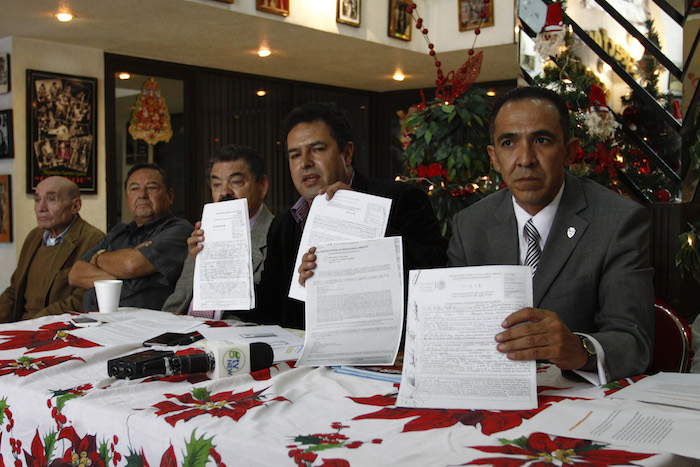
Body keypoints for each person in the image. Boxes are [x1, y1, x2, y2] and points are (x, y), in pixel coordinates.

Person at [447, 86, 654, 383]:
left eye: (541, 140)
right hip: (491, 394)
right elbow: (456, 330)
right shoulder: (469, 226)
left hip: (579, 401)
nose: (525, 159)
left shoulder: (618, 221)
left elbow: (634, 342)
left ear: (570, 152)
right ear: (494, 158)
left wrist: (581, 349)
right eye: (509, 143)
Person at [254, 101, 447, 329]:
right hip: (305, 356)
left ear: (346, 154)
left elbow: (435, 278)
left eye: (317, 150)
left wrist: (361, 218)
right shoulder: (284, 224)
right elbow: (266, 309)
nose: (305, 163)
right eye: (295, 155)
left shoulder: (402, 199)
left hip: (382, 351)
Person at [163, 145, 274, 317]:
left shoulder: (277, 232)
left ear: (262, 186)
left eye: (236, 182)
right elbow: (178, 300)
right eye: (216, 185)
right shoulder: (204, 230)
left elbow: (268, 310)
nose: (224, 192)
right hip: (183, 328)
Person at [69, 163, 193, 311]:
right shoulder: (119, 232)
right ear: (127, 197)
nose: (142, 195)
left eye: (152, 188)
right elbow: (75, 274)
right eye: (134, 189)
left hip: (146, 326)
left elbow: (132, 265)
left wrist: (98, 258)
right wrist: (125, 273)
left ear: (170, 196)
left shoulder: (179, 230)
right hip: (96, 320)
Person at [0, 176, 104, 321]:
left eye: (51, 199)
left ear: (75, 206)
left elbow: (81, 300)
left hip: (55, 330)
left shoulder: (93, 240)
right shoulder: (34, 236)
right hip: (20, 328)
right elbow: (14, 290)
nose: (41, 208)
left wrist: (32, 325)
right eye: (37, 200)